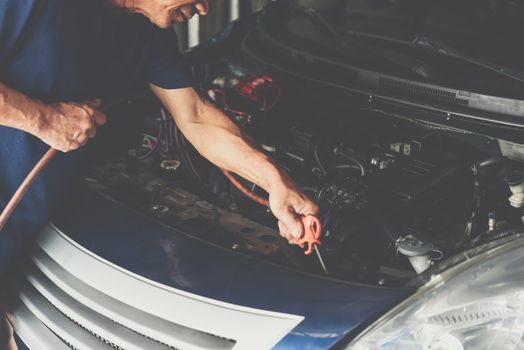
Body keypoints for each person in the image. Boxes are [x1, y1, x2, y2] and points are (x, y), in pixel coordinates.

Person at [0, 0, 318, 280]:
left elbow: (196, 116)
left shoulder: (148, 36)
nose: (205, 8)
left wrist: (274, 181)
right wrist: (43, 119)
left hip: (31, 231)